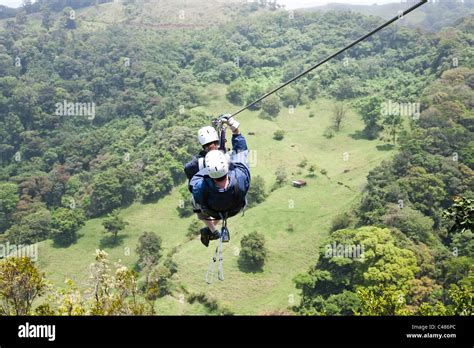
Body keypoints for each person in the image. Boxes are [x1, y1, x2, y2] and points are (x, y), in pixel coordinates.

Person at [189, 115, 251, 247]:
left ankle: (212, 229)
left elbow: (193, 183)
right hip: (236, 208)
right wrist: (235, 129)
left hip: (213, 211)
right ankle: (211, 230)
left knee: (196, 200)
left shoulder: (200, 186)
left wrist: (206, 168)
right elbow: (241, 151)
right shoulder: (240, 177)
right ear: (226, 164)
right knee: (220, 198)